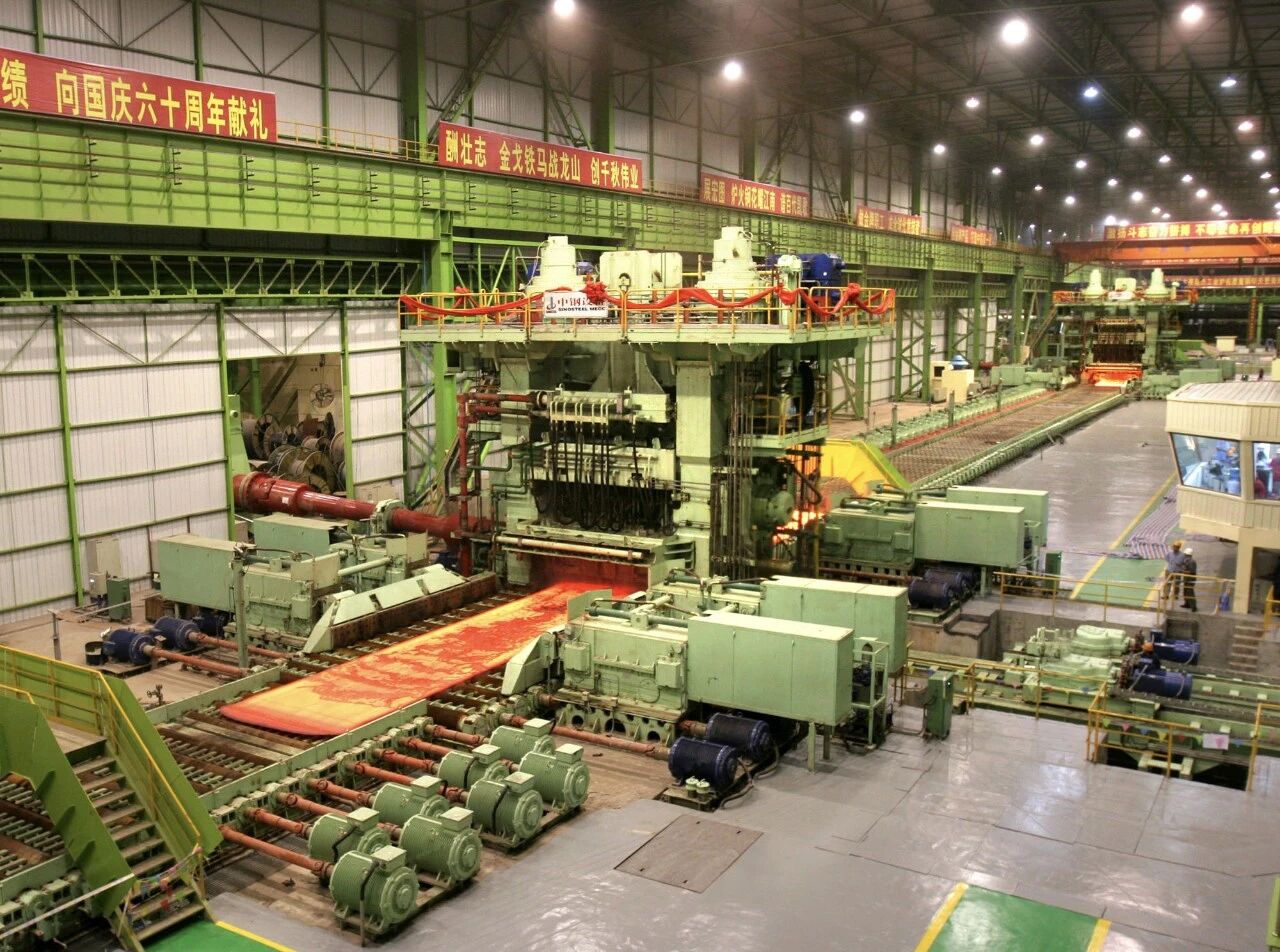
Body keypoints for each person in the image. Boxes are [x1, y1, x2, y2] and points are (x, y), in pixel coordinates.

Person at [1163, 540, 1187, 604]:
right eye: (1174, 546)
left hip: (1177, 572)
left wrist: (1181, 568)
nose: (1174, 548)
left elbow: (1184, 564)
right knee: (1167, 583)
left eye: (1176, 547)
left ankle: (1175, 595)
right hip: (1169, 571)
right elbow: (1167, 560)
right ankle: (1166, 595)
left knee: (1176, 584)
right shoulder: (1169, 553)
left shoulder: (1183, 555)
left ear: (1179, 547)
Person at [1181, 547, 1198, 612]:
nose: (1184, 555)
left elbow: (1191, 571)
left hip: (1190, 579)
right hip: (1186, 578)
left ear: (1187, 554)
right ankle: (1187, 604)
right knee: (1185, 591)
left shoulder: (1192, 562)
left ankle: (1194, 606)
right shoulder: (1186, 560)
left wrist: (1182, 571)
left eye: (1185, 554)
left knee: (1190, 592)